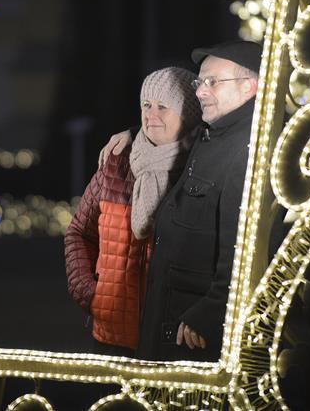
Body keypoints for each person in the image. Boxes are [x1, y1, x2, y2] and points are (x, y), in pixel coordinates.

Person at [98, 40, 260, 360]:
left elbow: (245, 247)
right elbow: (173, 129)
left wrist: (212, 311)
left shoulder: (248, 150)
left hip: (194, 324)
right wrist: (136, 133)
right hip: (170, 308)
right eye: (201, 82)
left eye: (213, 82)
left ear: (248, 87)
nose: (200, 91)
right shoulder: (214, 132)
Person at [64, 67, 201, 352]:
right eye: (146, 105)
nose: (151, 115)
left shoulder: (200, 167)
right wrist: (90, 293)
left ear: (188, 114)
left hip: (173, 338)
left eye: (163, 107)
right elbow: (79, 232)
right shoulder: (117, 160)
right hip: (112, 333)